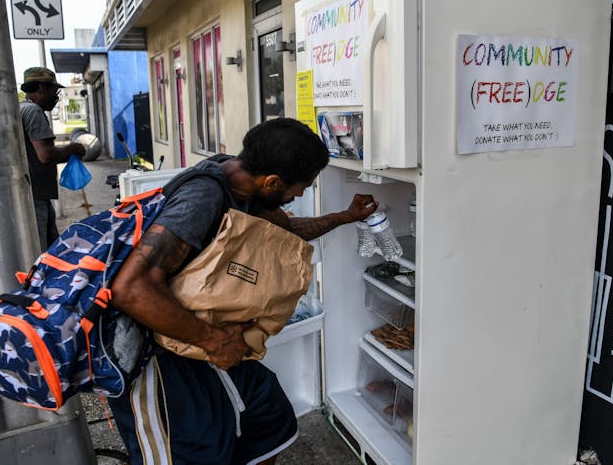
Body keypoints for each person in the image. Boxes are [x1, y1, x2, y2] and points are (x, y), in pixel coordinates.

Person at [109, 118, 378, 465]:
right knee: (195, 453)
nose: (299, 196)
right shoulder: (201, 198)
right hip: (156, 358)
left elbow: (287, 232)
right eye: (300, 188)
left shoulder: (243, 183)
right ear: (273, 181)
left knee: (271, 419)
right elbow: (131, 289)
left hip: (200, 341)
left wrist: (345, 216)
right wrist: (215, 341)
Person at [19, 67, 86, 250]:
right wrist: (72, 149)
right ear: (41, 88)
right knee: (42, 253)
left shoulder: (22, 108)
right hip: (35, 198)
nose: (56, 96)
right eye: (53, 90)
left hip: (34, 194)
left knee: (50, 250)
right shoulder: (33, 112)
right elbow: (45, 155)